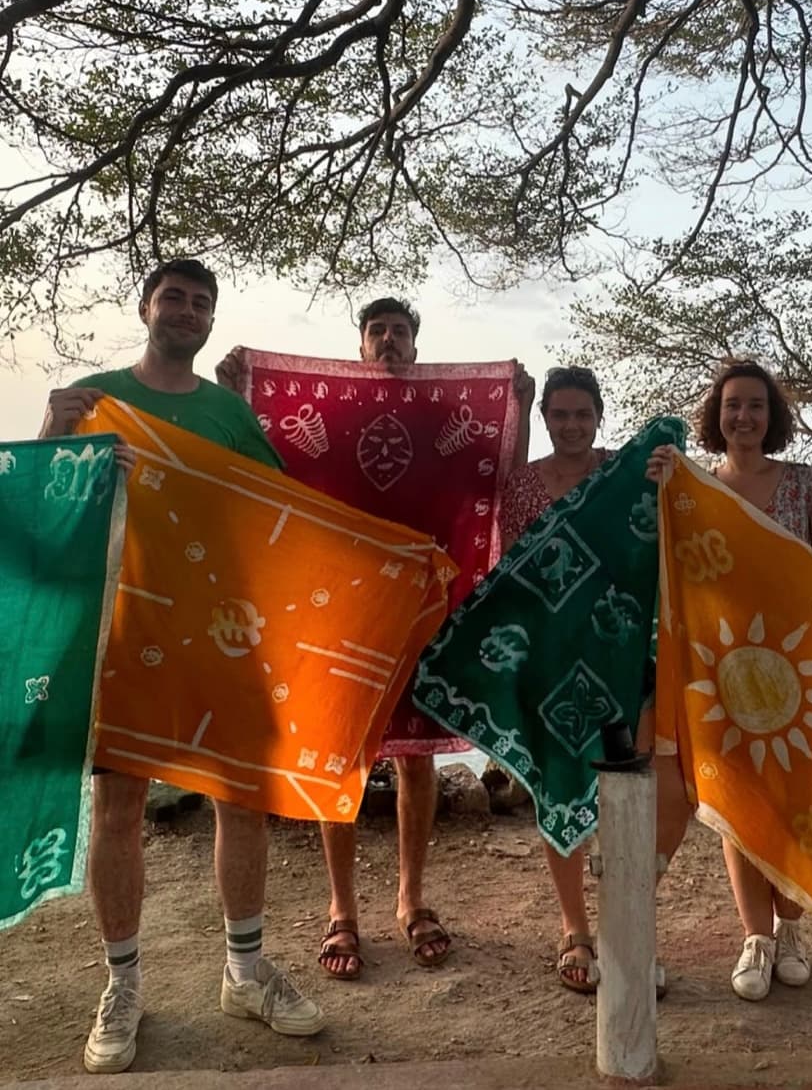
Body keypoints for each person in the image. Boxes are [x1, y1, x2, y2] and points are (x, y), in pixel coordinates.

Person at [39, 259, 324, 1075]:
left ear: (209, 320)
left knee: (241, 797)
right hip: (123, 627)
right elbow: (43, 512)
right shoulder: (92, 399)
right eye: (174, 296)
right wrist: (58, 434)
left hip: (223, 631)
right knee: (119, 802)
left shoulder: (228, 414)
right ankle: (123, 983)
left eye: (201, 302)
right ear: (145, 307)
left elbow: (280, 511)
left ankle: (244, 970)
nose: (187, 310)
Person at [217, 297, 535, 982]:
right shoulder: (326, 417)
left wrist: (522, 408)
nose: (388, 340)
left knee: (416, 758)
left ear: (415, 346)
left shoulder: (443, 416)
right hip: (342, 611)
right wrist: (233, 394)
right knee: (340, 759)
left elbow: (500, 479)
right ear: (360, 346)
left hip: (422, 608)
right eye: (377, 331)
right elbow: (263, 464)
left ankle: (411, 898)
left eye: (400, 331)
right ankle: (342, 910)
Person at [649, 358, 812, 1004]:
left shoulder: (804, 485)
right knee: (739, 804)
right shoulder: (692, 490)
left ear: (771, 415)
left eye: (755, 405)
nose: (743, 416)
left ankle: (790, 929)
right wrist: (652, 490)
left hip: (802, 670)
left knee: (796, 801)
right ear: (716, 414)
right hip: (725, 670)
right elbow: (665, 573)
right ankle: (754, 937)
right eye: (732, 404)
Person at [500, 366, 692, 994]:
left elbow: (677, 524)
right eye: (560, 415)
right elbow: (515, 578)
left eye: (583, 415)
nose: (572, 425)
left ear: (599, 417)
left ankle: (625, 921)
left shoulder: (626, 473)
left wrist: (673, 469)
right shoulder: (524, 486)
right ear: (546, 418)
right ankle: (574, 928)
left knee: (636, 792)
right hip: (556, 660)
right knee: (559, 786)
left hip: (626, 651)